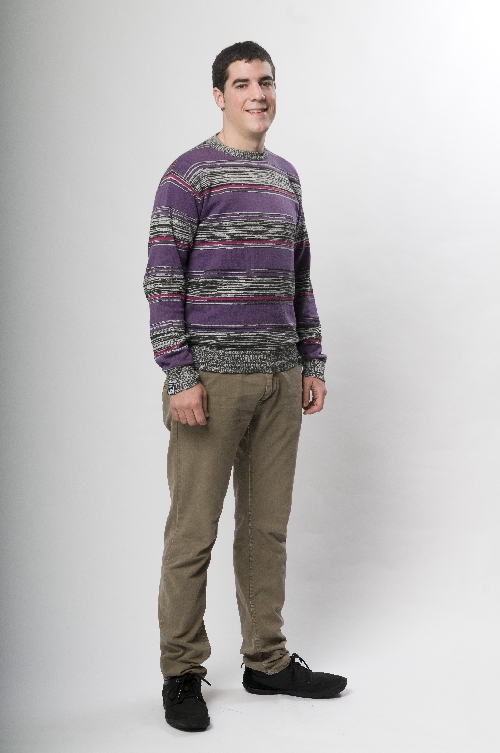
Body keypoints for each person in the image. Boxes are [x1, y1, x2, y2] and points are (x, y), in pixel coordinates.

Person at [144, 40, 347, 733]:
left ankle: (267, 660)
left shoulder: (286, 177)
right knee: (192, 532)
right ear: (219, 96)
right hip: (211, 382)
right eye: (242, 83)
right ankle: (181, 673)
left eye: (265, 81)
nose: (257, 93)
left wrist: (312, 361)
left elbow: (300, 277)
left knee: (266, 529)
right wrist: (180, 373)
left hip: (280, 379)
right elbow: (162, 278)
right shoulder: (188, 175)